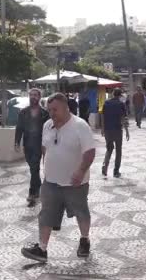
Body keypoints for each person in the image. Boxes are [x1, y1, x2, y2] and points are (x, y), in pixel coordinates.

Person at [21, 93, 96, 262]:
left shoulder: (80, 126)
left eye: (55, 109)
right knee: (46, 215)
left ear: (66, 108)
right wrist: (45, 168)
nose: (52, 113)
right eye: (49, 110)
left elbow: (90, 152)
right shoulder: (47, 125)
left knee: (81, 212)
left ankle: (85, 240)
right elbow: (45, 148)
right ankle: (42, 249)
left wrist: (80, 171)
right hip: (51, 182)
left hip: (76, 183)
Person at [15, 88, 50, 207]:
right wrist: (16, 142)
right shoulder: (23, 112)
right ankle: (38, 185)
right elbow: (19, 128)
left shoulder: (45, 113)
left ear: (39, 97)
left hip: (39, 145)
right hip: (27, 144)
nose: (33, 97)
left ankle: (32, 193)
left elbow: (48, 130)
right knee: (33, 168)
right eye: (31, 95)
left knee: (34, 166)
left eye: (35, 95)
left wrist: (46, 145)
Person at [100, 89, 130, 178]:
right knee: (118, 150)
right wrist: (127, 131)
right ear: (120, 95)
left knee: (109, 148)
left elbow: (102, 115)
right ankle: (116, 171)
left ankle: (105, 166)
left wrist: (102, 128)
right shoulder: (121, 104)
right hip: (117, 129)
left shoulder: (106, 103)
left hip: (108, 130)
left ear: (113, 94)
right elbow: (124, 118)